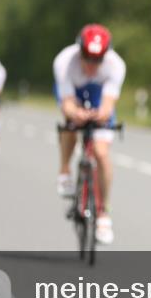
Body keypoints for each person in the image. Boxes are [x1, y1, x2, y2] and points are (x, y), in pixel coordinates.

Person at [53, 24, 126, 245]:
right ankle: (65, 170)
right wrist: (76, 114)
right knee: (70, 125)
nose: (92, 64)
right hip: (72, 92)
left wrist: (98, 115)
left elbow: (107, 105)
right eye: (87, 58)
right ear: (79, 51)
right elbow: (67, 104)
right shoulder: (64, 62)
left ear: (106, 56)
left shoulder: (116, 65)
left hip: (98, 95)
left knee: (101, 153)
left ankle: (103, 214)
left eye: (98, 60)